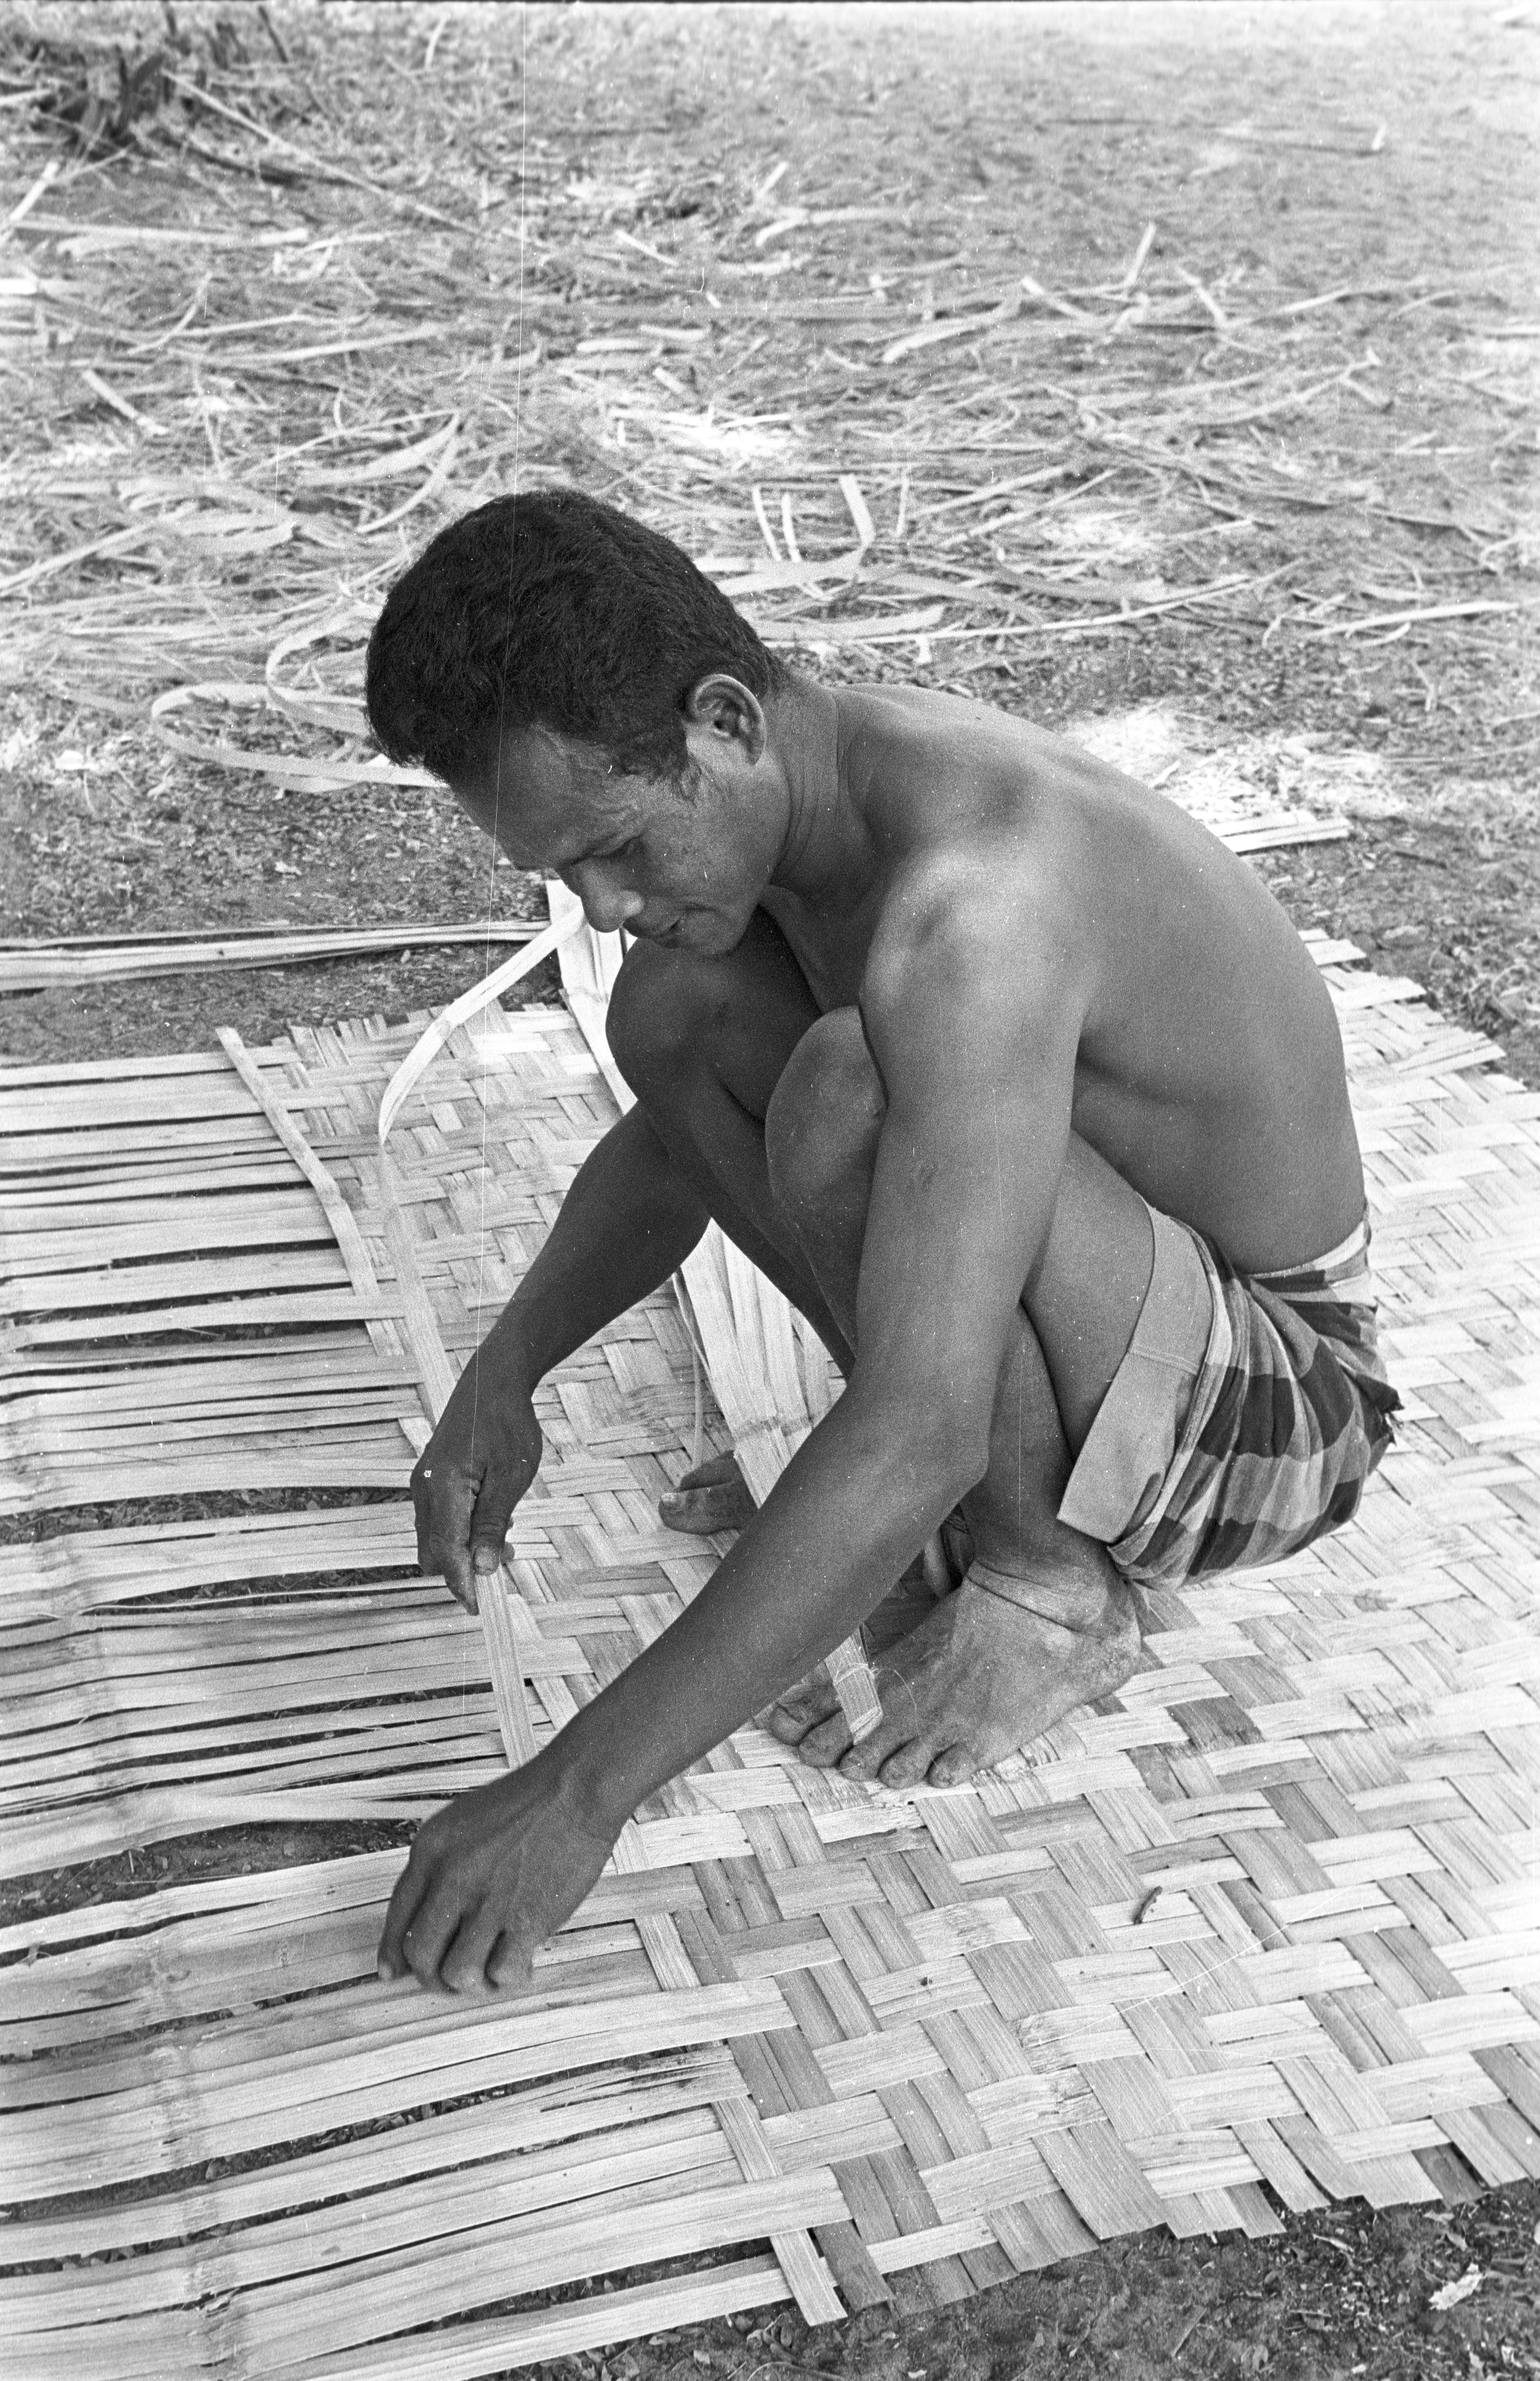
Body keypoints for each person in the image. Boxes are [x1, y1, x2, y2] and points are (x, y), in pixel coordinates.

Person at [363, 487, 1398, 1997]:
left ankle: (1047, 1581)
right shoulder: (825, 785)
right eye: (564, 874)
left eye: (620, 847)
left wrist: (576, 1794)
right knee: (675, 1011)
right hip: (1123, 1291)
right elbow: (671, 1138)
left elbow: (919, 1424)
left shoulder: (972, 909)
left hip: (1282, 1402)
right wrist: (503, 1369)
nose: (601, 904)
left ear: (724, 720)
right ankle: (941, 1513)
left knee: (852, 1085)